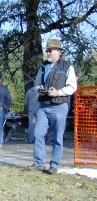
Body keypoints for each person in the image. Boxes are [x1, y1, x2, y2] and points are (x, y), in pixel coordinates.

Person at [29, 38, 77, 174]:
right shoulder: (43, 66)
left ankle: (54, 165)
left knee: (57, 137)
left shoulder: (67, 66)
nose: (48, 53)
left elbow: (73, 86)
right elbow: (37, 84)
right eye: (47, 51)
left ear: (58, 51)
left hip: (60, 106)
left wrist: (58, 92)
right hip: (43, 105)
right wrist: (39, 89)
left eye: (50, 51)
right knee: (38, 133)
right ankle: (39, 163)